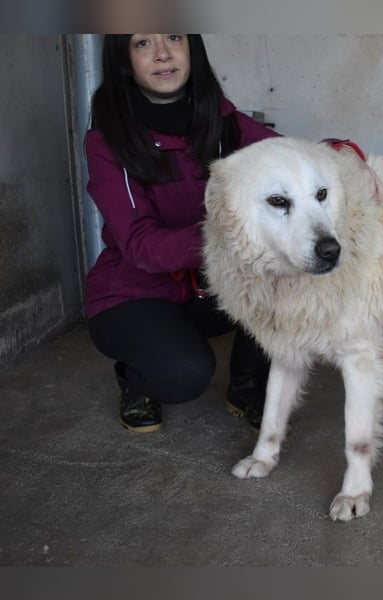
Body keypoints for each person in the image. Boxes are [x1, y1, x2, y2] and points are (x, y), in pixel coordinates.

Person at [84, 34, 280, 433]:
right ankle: (135, 377)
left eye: (174, 37)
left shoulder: (225, 122)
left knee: (292, 271)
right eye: (142, 43)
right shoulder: (107, 141)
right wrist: (232, 233)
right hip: (136, 292)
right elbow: (140, 246)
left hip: (207, 289)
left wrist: (344, 155)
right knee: (183, 373)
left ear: (192, 47)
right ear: (124, 58)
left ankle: (248, 386)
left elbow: (293, 157)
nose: (162, 54)